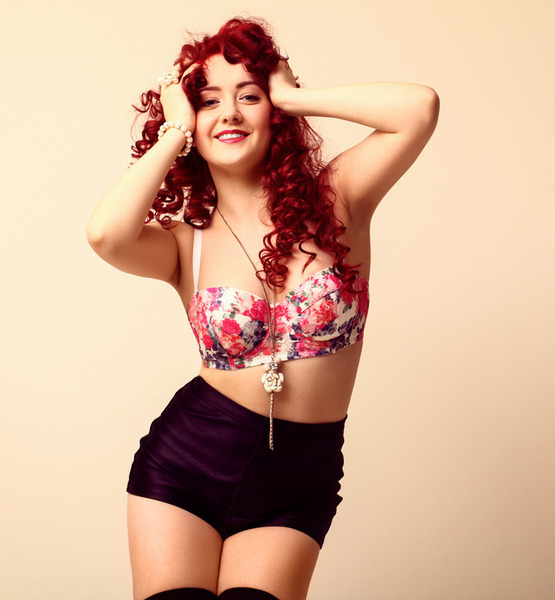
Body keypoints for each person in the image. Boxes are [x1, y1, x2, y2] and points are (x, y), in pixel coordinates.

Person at [87, 16, 439, 600]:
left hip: (299, 477)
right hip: (187, 462)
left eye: (248, 96)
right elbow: (106, 235)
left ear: (274, 111)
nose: (228, 113)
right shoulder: (184, 242)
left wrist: (293, 95)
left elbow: (418, 109)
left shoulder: (339, 199)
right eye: (208, 101)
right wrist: (175, 130)